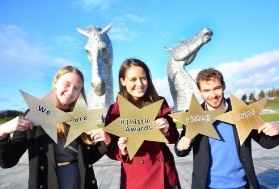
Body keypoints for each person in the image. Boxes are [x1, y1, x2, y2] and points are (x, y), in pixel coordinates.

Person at [0, 66, 112, 189]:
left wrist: (105, 143)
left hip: (80, 182)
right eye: (66, 84)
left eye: (77, 88)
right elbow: (7, 161)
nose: (70, 91)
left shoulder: (81, 116)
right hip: (48, 182)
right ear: (55, 82)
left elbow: (86, 159)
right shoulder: (35, 115)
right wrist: (2, 131)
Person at [174, 68, 279, 189]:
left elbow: (267, 143)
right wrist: (180, 146)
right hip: (206, 186)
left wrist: (277, 127)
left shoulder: (242, 111)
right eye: (206, 90)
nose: (213, 95)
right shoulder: (193, 115)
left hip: (241, 185)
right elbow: (181, 151)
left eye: (216, 88)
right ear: (200, 91)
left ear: (224, 86)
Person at [105, 58, 181, 189]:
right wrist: (122, 151)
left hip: (165, 176)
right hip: (136, 178)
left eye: (143, 78)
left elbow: (174, 138)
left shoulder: (159, 102)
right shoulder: (115, 110)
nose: (139, 84)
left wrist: (167, 131)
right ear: (122, 81)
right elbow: (110, 149)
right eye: (133, 79)